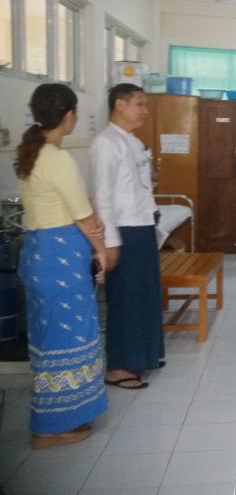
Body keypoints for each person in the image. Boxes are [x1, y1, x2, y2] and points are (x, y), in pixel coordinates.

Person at [16, 83, 108, 449]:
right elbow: (82, 215)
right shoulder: (56, 159)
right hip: (59, 260)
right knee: (68, 337)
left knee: (48, 338)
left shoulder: (31, 152)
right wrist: (100, 250)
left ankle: (58, 416)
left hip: (38, 254)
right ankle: (51, 427)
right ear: (68, 116)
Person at [90, 83, 163, 390]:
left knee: (145, 294)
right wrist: (110, 242)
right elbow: (102, 196)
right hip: (123, 230)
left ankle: (144, 355)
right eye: (139, 104)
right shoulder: (106, 143)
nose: (145, 111)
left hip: (142, 225)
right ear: (119, 104)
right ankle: (119, 366)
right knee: (126, 298)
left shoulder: (132, 141)